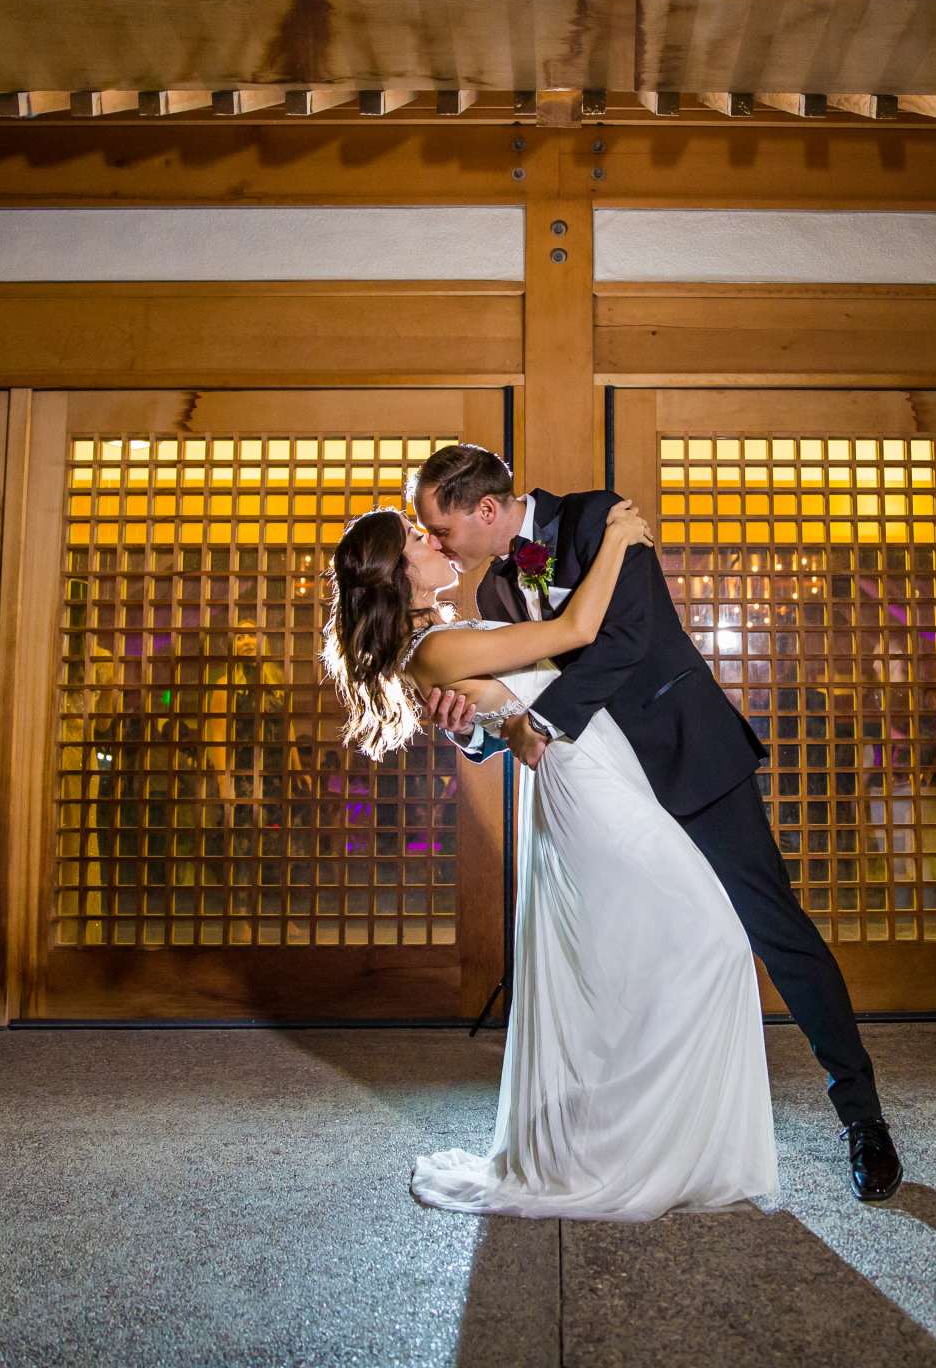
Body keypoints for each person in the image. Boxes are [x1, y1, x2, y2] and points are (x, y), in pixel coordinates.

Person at [408, 443, 904, 1203]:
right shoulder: (501, 591)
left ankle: (862, 1119)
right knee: (632, 951)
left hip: (687, 760)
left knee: (776, 932)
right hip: (600, 795)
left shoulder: (602, 520)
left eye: (440, 530)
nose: (439, 546)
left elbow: (623, 643)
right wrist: (466, 727)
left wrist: (540, 724)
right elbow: (505, 693)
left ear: (483, 509)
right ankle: (648, 1130)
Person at [323, 498, 775, 1220]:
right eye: (418, 538)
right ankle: (637, 1150)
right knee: (713, 939)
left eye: (428, 528)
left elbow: (524, 692)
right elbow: (572, 631)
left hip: (596, 765)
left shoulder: (443, 633)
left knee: (631, 955)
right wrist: (620, 541)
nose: (432, 539)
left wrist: (501, 724)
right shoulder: (431, 651)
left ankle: (639, 1143)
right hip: (583, 787)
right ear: (395, 573)